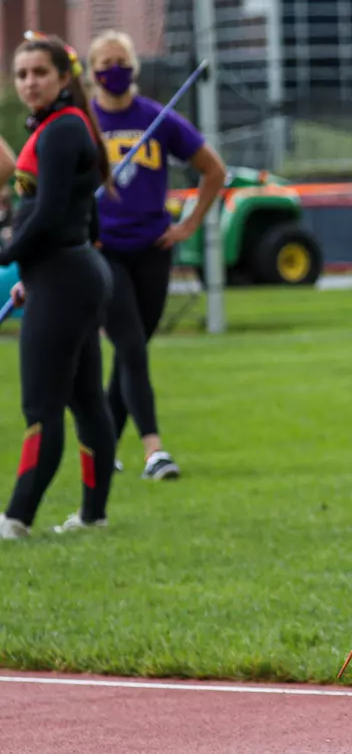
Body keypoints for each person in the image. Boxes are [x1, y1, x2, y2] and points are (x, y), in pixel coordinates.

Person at [87, 31, 227, 481]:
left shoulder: (157, 118)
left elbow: (213, 170)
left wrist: (188, 224)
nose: (114, 70)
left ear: (134, 67)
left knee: (132, 352)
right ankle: (154, 450)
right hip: (104, 251)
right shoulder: (83, 123)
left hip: (152, 249)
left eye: (121, 61)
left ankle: (101, 449)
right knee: (130, 346)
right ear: (91, 73)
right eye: (105, 63)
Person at [0, 33, 118, 540]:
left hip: (66, 277)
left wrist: (7, 257)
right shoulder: (58, 127)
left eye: (40, 73)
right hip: (64, 275)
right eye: (22, 74)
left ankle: (16, 519)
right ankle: (93, 515)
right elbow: (79, 216)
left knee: (41, 405)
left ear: (64, 77)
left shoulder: (63, 129)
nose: (30, 83)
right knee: (85, 399)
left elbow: (47, 216)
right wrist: (32, 275)